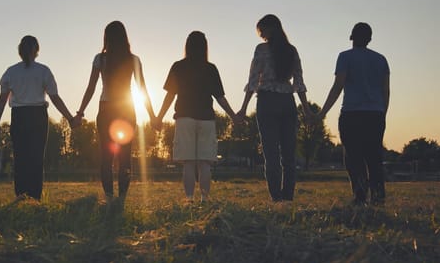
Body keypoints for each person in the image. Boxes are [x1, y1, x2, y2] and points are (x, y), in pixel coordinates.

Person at [74, 21, 157, 205]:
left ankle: (110, 197)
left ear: (107, 38)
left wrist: (80, 112)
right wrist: (152, 116)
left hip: (106, 110)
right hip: (126, 110)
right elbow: (142, 89)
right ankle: (121, 198)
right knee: (125, 156)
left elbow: (91, 88)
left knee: (106, 155)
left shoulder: (100, 59)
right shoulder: (134, 59)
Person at [155, 31, 238, 203]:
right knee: (205, 163)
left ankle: (190, 199)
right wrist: (233, 116)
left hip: (184, 118)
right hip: (206, 119)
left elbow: (170, 95)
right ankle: (205, 199)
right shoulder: (210, 68)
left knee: (189, 163)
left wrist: (159, 116)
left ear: (187, 46)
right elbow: (220, 98)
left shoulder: (178, 66)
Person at [238, 14, 311, 203]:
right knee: (289, 154)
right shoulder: (291, 51)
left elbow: (253, 80)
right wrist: (307, 109)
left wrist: (244, 107)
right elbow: (299, 82)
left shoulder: (261, 50)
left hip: (267, 101)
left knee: (270, 153)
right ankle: (288, 197)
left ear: (270, 28)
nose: (261, 34)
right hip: (287, 102)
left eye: (262, 30)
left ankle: (276, 198)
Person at [0, 35, 77, 201]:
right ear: (36, 51)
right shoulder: (43, 71)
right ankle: (35, 196)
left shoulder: (11, 72)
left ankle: (21, 195)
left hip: (19, 116)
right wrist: (70, 118)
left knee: (20, 157)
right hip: (38, 116)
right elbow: (55, 98)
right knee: (36, 157)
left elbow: (2, 99)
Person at [316, 23, 390, 206]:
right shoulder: (381, 60)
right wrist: (382, 113)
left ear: (352, 37)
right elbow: (386, 90)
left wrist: (322, 112)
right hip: (375, 114)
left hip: (352, 113)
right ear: (370, 39)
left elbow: (338, 85)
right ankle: (378, 196)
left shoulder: (345, 57)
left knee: (353, 156)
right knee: (374, 156)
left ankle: (360, 195)